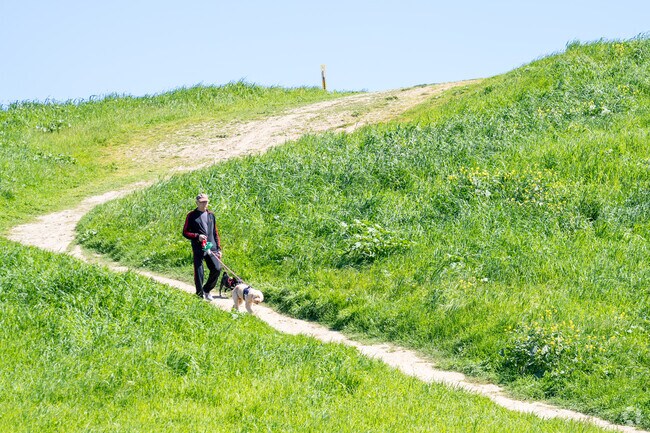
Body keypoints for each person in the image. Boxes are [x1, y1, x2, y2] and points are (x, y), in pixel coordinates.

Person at [182, 193, 222, 301]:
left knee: (217, 268)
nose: (204, 204)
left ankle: (207, 290)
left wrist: (218, 249)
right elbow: (185, 232)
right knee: (199, 271)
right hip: (198, 247)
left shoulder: (211, 215)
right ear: (197, 203)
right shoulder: (191, 215)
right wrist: (197, 236)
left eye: (206, 202)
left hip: (211, 247)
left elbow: (215, 232)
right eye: (202, 202)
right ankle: (199, 295)